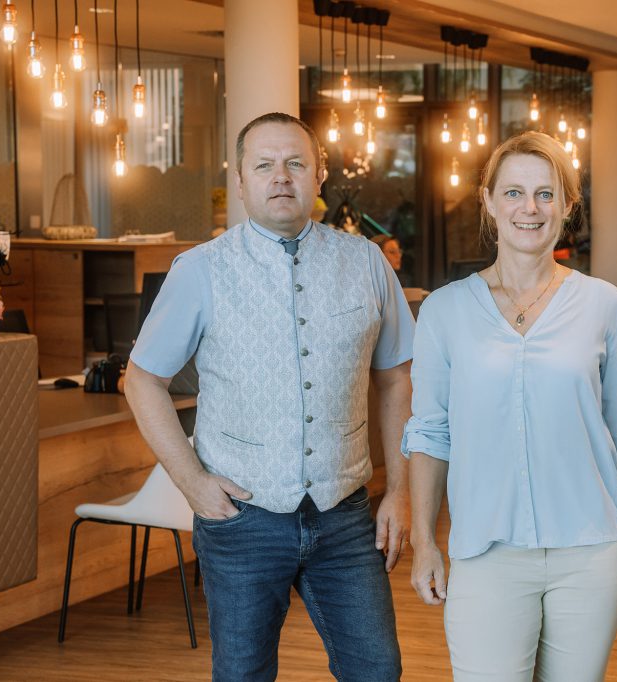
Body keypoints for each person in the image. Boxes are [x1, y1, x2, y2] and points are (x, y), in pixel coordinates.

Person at [125, 112, 414, 682]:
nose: (281, 176)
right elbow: (141, 380)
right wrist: (193, 483)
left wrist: (400, 491)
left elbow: (397, 379)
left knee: (378, 670)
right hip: (243, 521)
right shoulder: (200, 271)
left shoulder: (367, 262)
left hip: (345, 516)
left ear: (319, 175)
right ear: (240, 180)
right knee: (243, 675)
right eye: (264, 165)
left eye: (295, 163)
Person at [405, 131, 617, 682]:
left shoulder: (603, 304)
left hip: (592, 550)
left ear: (567, 206)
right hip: (487, 551)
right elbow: (430, 433)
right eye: (514, 193)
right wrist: (424, 541)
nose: (530, 208)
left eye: (546, 194)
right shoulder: (445, 311)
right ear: (488, 200)